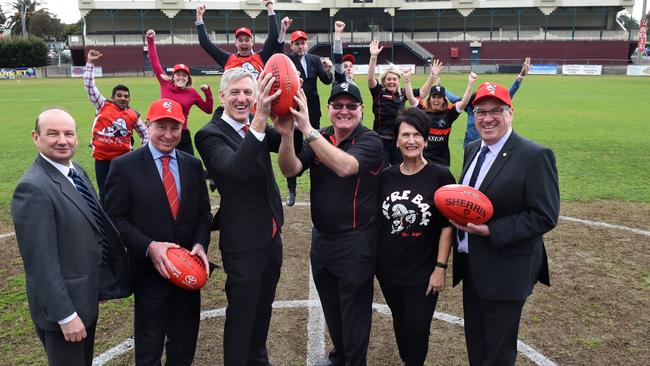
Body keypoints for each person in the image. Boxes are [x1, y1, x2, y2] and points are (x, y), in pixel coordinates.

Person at [194, 68, 300, 365]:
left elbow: (295, 155)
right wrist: (261, 120)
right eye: (236, 93)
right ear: (222, 95)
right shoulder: (209, 134)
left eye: (248, 93)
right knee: (242, 317)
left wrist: (290, 124)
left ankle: (258, 359)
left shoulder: (257, 126)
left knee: (263, 310)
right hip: (242, 243)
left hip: (269, 236)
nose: (242, 99)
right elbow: (235, 170)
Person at [450, 81, 560, 366]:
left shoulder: (535, 156)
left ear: (511, 112)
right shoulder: (473, 148)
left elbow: (545, 215)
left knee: (498, 351)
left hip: (506, 269)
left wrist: (491, 230)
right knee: (477, 342)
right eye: (480, 112)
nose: (487, 118)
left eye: (495, 110)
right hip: (472, 265)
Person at [12, 109, 130, 366]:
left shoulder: (75, 170)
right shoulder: (33, 188)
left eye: (68, 133)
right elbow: (40, 264)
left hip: (84, 298)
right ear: (36, 137)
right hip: (64, 312)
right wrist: (65, 316)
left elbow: (94, 228)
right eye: (52, 134)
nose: (62, 140)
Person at [277, 82, 383, 365]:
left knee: (354, 313)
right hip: (321, 240)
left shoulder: (370, 141)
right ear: (329, 108)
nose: (344, 111)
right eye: (338, 105)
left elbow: (346, 167)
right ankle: (340, 357)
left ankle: (354, 362)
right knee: (332, 308)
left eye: (351, 106)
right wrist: (288, 135)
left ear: (362, 109)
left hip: (355, 241)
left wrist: (308, 131)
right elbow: (291, 168)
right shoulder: (321, 135)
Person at [104, 98, 212, 366]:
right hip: (149, 273)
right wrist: (150, 246)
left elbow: (203, 214)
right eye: (161, 126)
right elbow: (115, 219)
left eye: (174, 128)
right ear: (148, 126)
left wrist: (200, 244)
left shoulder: (192, 165)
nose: (168, 134)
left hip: (187, 269)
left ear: (182, 128)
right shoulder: (124, 166)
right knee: (149, 344)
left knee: (184, 342)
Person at [377, 107, 455, 366]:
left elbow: (447, 225)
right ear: (397, 140)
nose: (411, 141)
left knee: (418, 326)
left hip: (423, 270)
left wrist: (440, 267)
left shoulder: (441, 175)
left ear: (425, 138)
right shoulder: (386, 177)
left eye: (416, 135)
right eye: (405, 135)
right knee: (400, 321)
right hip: (389, 268)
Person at [83, 49, 149, 201]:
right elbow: (90, 88)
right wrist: (90, 63)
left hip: (123, 161)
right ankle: (106, 222)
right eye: (119, 95)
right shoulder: (102, 105)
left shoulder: (133, 115)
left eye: (126, 96)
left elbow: (145, 134)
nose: (123, 98)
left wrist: (141, 153)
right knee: (105, 194)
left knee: (124, 191)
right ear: (112, 98)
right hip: (102, 160)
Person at [285, 27, 334, 206]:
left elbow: (326, 81)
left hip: (312, 111)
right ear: (292, 45)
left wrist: (328, 70)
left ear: (307, 44)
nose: (300, 46)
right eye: (297, 43)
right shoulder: (287, 60)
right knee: (293, 148)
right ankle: (291, 189)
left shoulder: (314, 59)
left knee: (316, 148)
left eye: (302, 43)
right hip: (293, 110)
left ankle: (318, 187)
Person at [146, 29, 214, 155]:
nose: (181, 77)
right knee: (162, 161)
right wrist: (150, 40)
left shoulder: (192, 93)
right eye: (178, 74)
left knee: (188, 165)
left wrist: (207, 93)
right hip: (163, 131)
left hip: (182, 133)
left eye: (184, 75)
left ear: (188, 78)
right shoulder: (165, 83)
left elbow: (208, 109)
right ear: (174, 76)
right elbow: (154, 62)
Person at [446, 57, 531, 148]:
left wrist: (521, 77)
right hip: (470, 145)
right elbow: (453, 98)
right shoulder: (469, 106)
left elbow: (510, 93)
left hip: (489, 145)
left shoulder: (498, 104)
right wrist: (438, 87)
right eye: (481, 112)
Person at [403, 64, 478, 167]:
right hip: (423, 160)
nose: (436, 100)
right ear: (430, 99)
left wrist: (470, 84)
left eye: (439, 97)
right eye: (434, 97)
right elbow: (411, 99)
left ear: (444, 100)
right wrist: (407, 80)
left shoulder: (449, 114)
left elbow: (464, 102)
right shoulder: (422, 111)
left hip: (442, 162)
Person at [195, 0, 286, 82]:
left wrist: (269, 6)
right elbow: (205, 43)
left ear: (252, 42)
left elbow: (273, 37)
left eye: (247, 40)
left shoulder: (261, 57)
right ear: (236, 43)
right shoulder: (227, 59)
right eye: (240, 40)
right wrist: (199, 17)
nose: (244, 43)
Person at [367, 40, 418, 167]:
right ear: (384, 80)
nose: (391, 82)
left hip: (398, 140)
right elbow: (370, 79)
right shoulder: (378, 92)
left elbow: (422, 93)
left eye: (394, 79)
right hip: (381, 140)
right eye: (388, 79)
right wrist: (373, 57)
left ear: (398, 80)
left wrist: (432, 76)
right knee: (381, 172)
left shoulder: (403, 93)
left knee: (399, 169)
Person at [332, 20, 356, 85]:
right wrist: (337, 33)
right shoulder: (341, 80)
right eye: (345, 67)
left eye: (351, 66)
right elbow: (338, 59)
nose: (349, 69)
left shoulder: (354, 85)